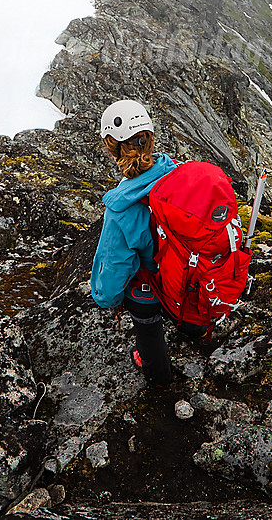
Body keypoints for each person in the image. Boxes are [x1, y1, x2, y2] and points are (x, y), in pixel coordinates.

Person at [90, 99, 176, 386]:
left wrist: (107, 299)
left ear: (113, 147)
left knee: (144, 316)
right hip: (185, 273)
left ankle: (158, 375)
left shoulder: (121, 209)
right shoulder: (175, 172)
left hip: (153, 287)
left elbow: (115, 269)